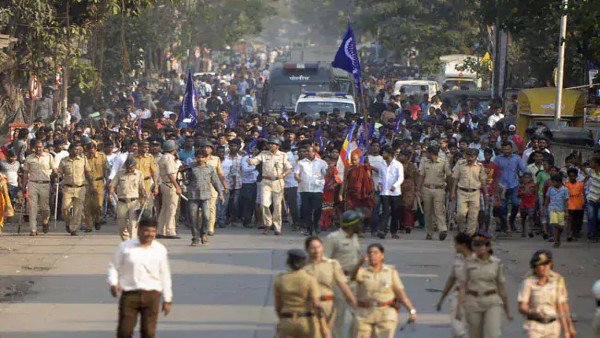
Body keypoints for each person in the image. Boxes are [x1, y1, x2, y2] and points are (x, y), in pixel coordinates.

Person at [107, 218, 172, 338]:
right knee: (124, 332)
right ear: (138, 231)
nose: (150, 234)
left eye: (153, 231)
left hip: (152, 295)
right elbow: (113, 267)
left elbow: (165, 274)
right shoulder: (125, 247)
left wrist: (167, 299)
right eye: (146, 231)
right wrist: (113, 283)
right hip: (130, 295)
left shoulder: (160, 250)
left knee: (148, 332)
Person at [350, 243, 417, 338]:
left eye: (376, 252)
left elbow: (400, 293)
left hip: (385, 313)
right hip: (364, 313)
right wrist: (359, 263)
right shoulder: (362, 272)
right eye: (370, 253)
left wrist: (411, 310)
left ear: (382, 255)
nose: (372, 255)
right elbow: (352, 277)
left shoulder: (390, 272)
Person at [457, 231, 512, 338]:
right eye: (476, 245)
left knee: (493, 334)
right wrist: (460, 309)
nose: (479, 248)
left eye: (482, 244)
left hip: (492, 301)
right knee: (475, 335)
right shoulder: (467, 262)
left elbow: (501, 288)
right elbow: (463, 287)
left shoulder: (496, 263)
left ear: (488, 246)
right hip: (473, 301)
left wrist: (507, 310)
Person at [323, 210, 363, 338]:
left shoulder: (355, 237)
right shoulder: (333, 238)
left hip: (354, 281)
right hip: (337, 283)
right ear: (352, 224)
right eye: (359, 223)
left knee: (359, 316)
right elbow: (324, 262)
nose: (361, 226)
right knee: (336, 318)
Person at [304, 236, 357, 331]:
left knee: (325, 332)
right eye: (313, 248)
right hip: (309, 307)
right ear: (307, 249)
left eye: (319, 247)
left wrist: (354, 304)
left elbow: (343, 285)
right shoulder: (302, 266)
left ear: (323, 247)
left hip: (328, 307)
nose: (317, 251)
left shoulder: (332, 264)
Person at [518, 250, 575, 338]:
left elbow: (561, 305)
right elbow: (522, 306)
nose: (545, 267)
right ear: (535, 267)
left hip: (553, 326)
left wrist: (568, 328)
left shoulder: (557, 280)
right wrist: (532, 312)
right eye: (541, 264)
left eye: (547, 264)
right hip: (534, 326)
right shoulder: (528, 282)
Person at [274, 249, 330, 338]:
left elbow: (278, 307)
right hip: (306, 322)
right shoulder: (310, 279)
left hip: (287, 321)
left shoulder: (280, 279)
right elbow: (316, 305)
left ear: (289, 262)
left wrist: (283, 321)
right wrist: (324, 328)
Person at [247, 138, 292, 235]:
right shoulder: (263, 153)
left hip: (277, 182)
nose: (271, 145)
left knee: (277, 206)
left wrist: (283, 175)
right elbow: (255, 160)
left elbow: (289, 168)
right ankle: (268, 223)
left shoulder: (283, 155)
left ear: (278, 146)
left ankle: (277, 227)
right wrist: (250, 161)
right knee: (264, 204)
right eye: (270, 144)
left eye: (273, 144)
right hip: (265, 181)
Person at [436, 233, 474, 338]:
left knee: (465, 329)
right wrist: (441, 299)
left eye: (456, 244)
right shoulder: (458, 259)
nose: (455, 247)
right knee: (457, 328)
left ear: (463, 245)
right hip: (457, 297)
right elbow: (451, 279)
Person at [184, 149, 224, 246]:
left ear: (206, 158)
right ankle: (195, 238)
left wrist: (221, 194)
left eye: (202, 157)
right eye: (198, 157)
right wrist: (183, 174)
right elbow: (185, 181)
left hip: (206, 196)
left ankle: (204, 234)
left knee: (206, 216)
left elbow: (215, 181)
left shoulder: (210, 168)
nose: (200, 159)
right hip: (193, 196)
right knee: (193, 218)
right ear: (195, 157)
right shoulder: (190, 168)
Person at [417, 145, 452, 240]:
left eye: (427, 152)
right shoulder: (424, 161)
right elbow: (421, 175)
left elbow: (449, 176)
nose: (426, 154)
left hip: (439, 189)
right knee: (427, 211)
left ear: (431, 153)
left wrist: (450, 189)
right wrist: (418, 189)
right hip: (427, 188)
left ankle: (442, 230)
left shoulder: (443, 162)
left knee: (439, 210)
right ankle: (429, 232)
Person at [23, 140, 57, 236]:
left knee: (45, 208)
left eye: (40, 147)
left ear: (43, 147)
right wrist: (23, 186)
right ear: (34, 148)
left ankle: (45, 221)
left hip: (45, 184)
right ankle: (33, 229)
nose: (39, 148)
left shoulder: (49, 157)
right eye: (37, 147)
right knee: (32, 207)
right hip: (32, 184)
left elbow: (54, 169)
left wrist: (56, 174)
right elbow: (25, 173)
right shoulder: (29, 158)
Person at [109, 157, 147, 241]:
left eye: (131, 168)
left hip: (134, 202)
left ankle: (132, 243)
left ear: (134, 166)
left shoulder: (139, 174)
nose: (129, 170)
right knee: (121, 225)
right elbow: (112, 185)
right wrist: (111, 193)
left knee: (133, 225)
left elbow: (142, 188)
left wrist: (144, 198)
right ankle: (126, 241)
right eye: (128, 168)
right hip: (122, 202)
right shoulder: (120, 173)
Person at [451, 148, 488, 235]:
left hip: (475, 193)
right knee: (461, 214)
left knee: (473, 216)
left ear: (475, 157)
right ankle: (462, 229)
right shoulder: (460, 164)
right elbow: (455, 179)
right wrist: (453, 192)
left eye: (472, 156)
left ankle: (469, 235)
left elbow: (483, 181)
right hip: (462, 192)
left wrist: (486, 194)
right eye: (468, 156)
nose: (470, 158)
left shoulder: (480, 166)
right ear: (465, 156)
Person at [57, 142, 90, 235]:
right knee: (64, 208)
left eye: (79, 149)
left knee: (78, 210)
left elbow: (88, 172)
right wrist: (57, 175)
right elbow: (60, 172)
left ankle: (73, 228)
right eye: (75, 149)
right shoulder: (64, 161)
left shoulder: (83, 159)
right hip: (68, 188)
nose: (77, 151)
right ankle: (68, 223)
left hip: (80, 188)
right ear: (70, 150)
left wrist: (91, 184)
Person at [494, 141, 527, 234]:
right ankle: (505, 224)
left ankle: (512, 220)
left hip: (514, 185)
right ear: (501, 150)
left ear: (511, 149)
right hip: (501, 186)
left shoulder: (517, 158)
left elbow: (524, 169)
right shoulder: (497, 159)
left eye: (508, 149)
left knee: (516, 204)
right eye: (504, 149)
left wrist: (525, 180)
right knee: (502, 207)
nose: (506, 151)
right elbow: (493, 171)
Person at [295, 146, 328, 236]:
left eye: (308, 151)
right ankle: (309, 228)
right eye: (306, 151)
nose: (306, 153)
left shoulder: (322, 163)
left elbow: (326, 173)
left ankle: (316, 223)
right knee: (306, 210)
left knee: (317, 209)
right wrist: (298, 179)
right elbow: (296, 174)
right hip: (305, 189)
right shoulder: (301, 163)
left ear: (314, 152)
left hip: (317, 189)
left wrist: (331, 170)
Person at [338, 153, 375, 225]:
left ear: (359, 160)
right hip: (351, 193)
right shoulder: (348, 168)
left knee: (361, 211)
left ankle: (359, 228)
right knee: (351, 211)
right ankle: (350, 228)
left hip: (362, 194)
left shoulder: (364, 168)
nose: (354, 162)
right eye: (352, 160)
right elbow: (345, 181)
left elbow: (370, 180)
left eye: (355, 160)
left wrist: (372, 192)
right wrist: (340, 194)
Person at [376, 146, 404, 239]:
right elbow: (380, 176)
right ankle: (382, 231)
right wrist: (379, 183)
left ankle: (394, 232)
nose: (382, 155)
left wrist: (394, 186)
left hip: (395, 192)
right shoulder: (381, 164)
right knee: (385, 212)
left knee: (395, 212)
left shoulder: (398, 164)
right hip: (384, 192)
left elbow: (401, 178)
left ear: (389, 154)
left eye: (384, 153)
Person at [157, 140, 182, 238]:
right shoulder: (169, 158)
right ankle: (170, 230)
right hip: (170, 184)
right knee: (172, 208)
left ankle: (160, 230)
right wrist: (177, 187)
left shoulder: (163, 157)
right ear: (174, 149)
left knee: (165, 208)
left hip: (164, 184)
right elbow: (171, 174)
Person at [202, 141, 228, 236]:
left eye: (208, 147)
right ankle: (202, 225)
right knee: (202, 208)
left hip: (213, 186)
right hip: (200, 186)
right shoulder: (198, 158)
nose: (206, 149)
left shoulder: (216, 159)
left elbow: (220, 173)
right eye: (204, 147)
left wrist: (225, 186)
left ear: (212, 149)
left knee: (212, 206)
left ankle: (210, 227)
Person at [84, 140, 108, 231]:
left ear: (95, 149)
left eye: (92, 149)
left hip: (99, 182)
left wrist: (108, 181)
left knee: (98, 205)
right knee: (87, 205)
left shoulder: (102, 156)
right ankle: (88, 226)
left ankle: (97, 219)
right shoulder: (84, 158)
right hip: (87, 183)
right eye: (89, 150)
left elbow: (105, 169)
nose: (91, 151)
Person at [543, 174, 569, 248]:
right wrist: (544, 208)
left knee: (561, 227)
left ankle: (557, 237)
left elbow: (566, 201)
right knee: (554, 224)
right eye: (552, 182)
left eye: (554, 182)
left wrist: (566, 212)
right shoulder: (550, 189)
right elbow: (547, 198)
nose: (553, 184)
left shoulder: (565, 189)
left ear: (559, 182)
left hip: (561, 210)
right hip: (552, 209)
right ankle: (556, 241)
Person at [134, 141, 159, 214]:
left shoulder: (150, 157)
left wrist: (156, 186)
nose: (147, 149)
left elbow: (154, 173)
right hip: (135, 183)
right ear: (139, 147)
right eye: (145, 147)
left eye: (148, 147)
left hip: (146, 183)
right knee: (136, 204)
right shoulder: (132, 157)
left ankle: (147, 222)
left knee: (147, 205)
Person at [397, 149, 417, 234]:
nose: (399, 157)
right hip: (398, 186)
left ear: (406, 157)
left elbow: (415, 176)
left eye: (401, 156)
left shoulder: (411, 165)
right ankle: (401, 224)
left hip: (409, 186)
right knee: (399, 207)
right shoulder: (396, 164)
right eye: (399, 155)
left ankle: (408, 224)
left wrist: (416, 188)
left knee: (408, 206)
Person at [518, 172, 536, 238]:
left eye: (528, 177)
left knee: (531, 216)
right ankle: (523, 231)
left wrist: (523, 192)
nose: (526, 179)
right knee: (523, 218)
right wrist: (522, 193)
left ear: (531, 178)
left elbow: (531, 191)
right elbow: (519, 194)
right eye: (525, 177)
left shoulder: (532, 185)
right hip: (523, 203)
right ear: (523, 178)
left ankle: (530, 230)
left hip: (531, 203)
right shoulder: (521, 186)